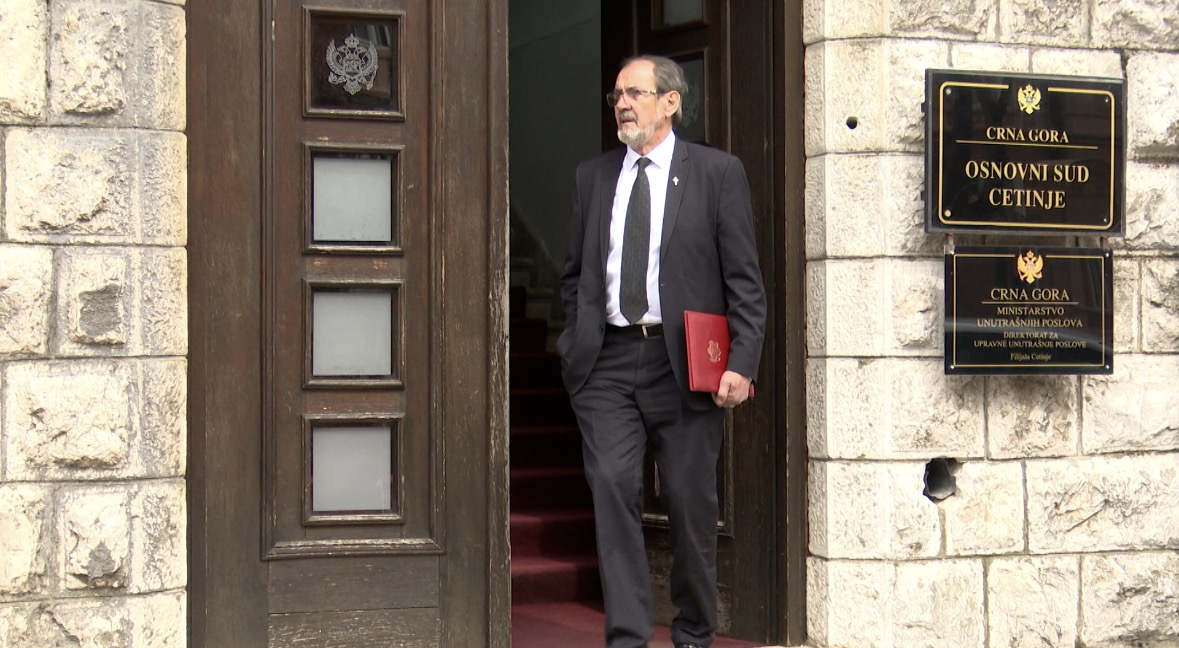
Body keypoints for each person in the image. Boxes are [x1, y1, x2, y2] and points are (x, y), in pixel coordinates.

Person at [556, 54, 767, 648]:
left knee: (689, 503)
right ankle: (627, 637)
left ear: (670, 101)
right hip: (607, 362)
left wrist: (742, 362)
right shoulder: (593, 177)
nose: (623, 104)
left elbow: (744, 281)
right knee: (612, 489)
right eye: (617, 96)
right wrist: (575, 343)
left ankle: (694, 633)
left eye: (635, 93)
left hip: (683, 366)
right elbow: (574, 276)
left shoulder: (716, 173)